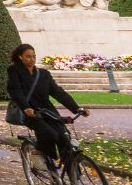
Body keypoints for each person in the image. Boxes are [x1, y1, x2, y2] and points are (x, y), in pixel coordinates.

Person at [9, 43, 87, 172]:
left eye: (34, 56)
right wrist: (26, 107)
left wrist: (76, 108)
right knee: (50, 134)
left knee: (63, 137)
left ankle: (74, 174)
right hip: (30, 112)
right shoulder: (14, 71)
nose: (32, 59)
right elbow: (15, 91)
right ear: (20, 57)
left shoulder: (43, 74)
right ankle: (37, 153)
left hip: (48, 110)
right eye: (28, 57)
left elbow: (58, 92)